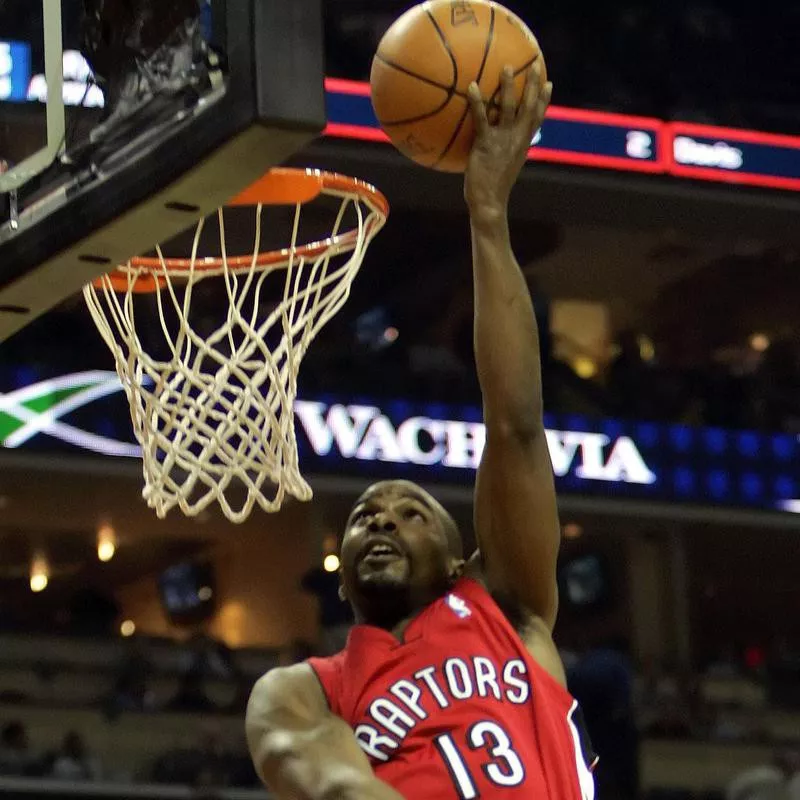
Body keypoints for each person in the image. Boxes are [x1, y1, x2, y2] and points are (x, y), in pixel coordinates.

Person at [246, 62, 597, 800]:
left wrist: (489, 216)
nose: (381, 521)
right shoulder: (306, 689)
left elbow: (515, 425)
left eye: (412, 514)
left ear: (459, 559)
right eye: (367, 516)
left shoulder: (510, 610)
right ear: (338, 566)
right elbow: (341, 788)